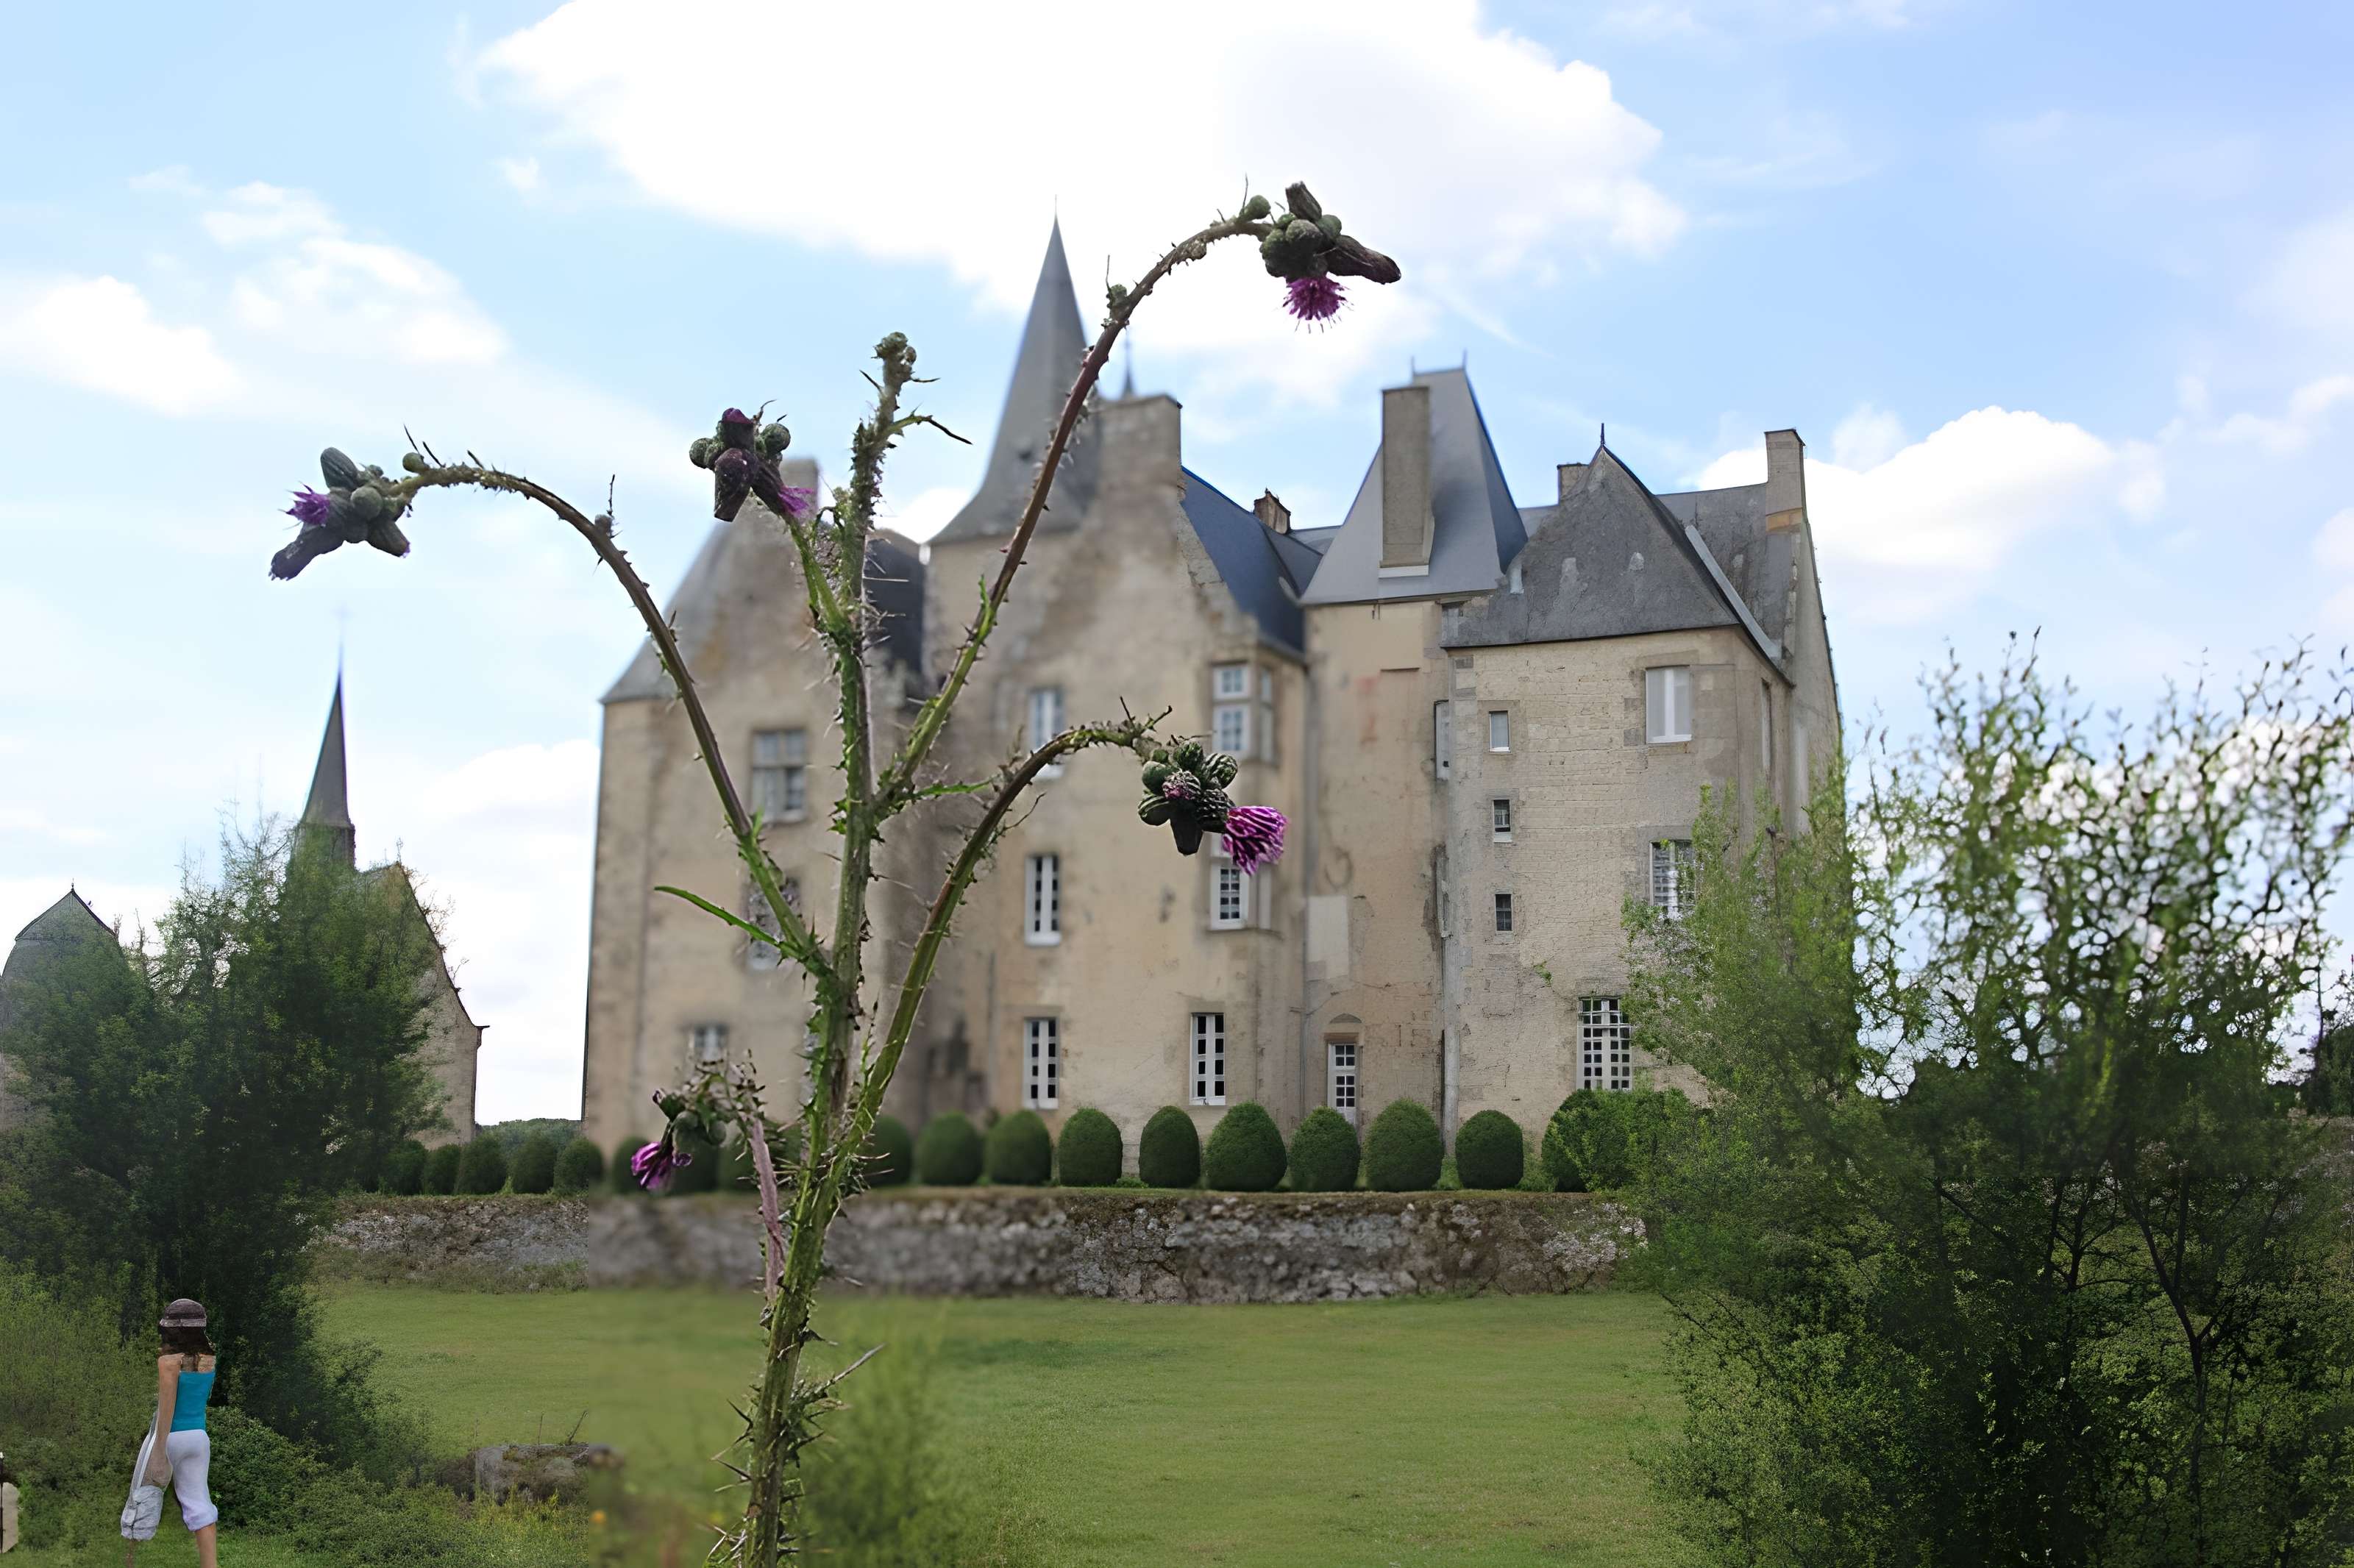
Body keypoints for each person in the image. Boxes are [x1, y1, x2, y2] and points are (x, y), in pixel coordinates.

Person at [124, 1299, 218, 1567]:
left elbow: (167, 1410)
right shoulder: (210, 1359)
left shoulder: (168, 1362)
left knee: (140, 1499)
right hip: (198, 1439)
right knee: (201, 1506)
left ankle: (130, 1563)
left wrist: (159, 1454)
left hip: (170, 1438)